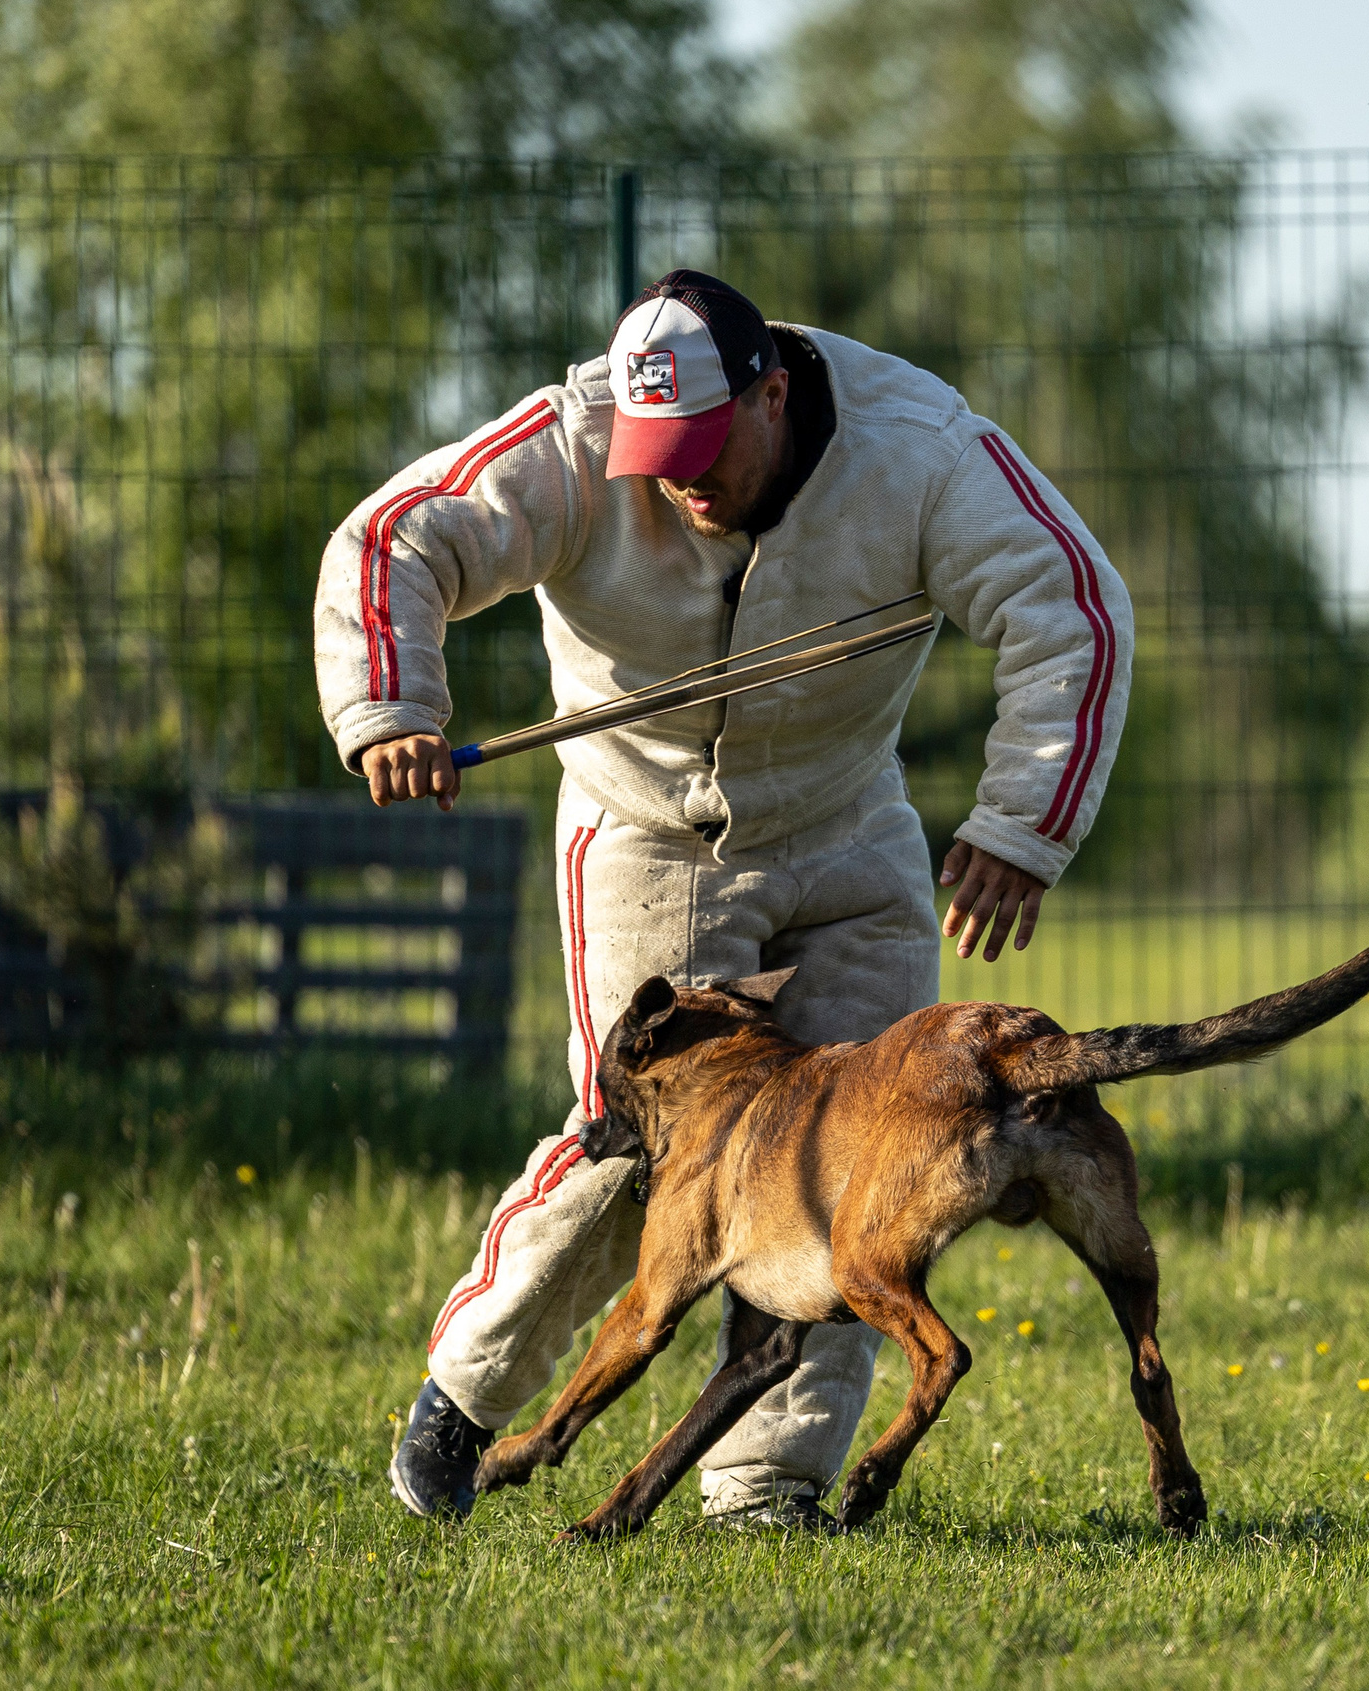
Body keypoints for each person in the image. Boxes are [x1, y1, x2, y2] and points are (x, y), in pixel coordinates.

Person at [314, 268, 1133, 1530]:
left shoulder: (921, 448)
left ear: (773, 391)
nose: (677, 481)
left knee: (868, 1168)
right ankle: (467, 1393)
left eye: (702, 449)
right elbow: (395, 536)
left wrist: (1023, 827)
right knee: (628, 1152)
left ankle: (767, 1480)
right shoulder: (577, 442)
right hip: (644, 835)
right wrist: (392, 707)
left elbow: (1072, 605)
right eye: (656, 456)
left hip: (849, 827)